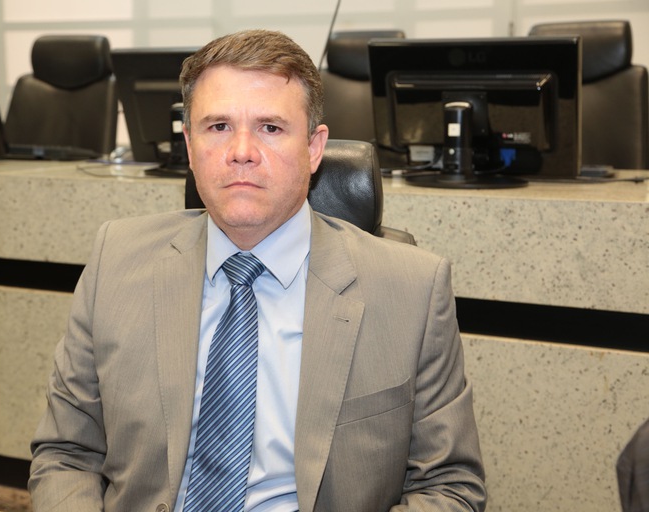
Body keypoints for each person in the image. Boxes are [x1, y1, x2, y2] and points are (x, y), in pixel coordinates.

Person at [28, 29, 486, 511]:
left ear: (314, 148)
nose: (241, 150)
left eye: (270, 127)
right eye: (218, 126)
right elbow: (66, 454)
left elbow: (450, 486)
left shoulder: (412, 290)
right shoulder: (116, 260)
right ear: (189, 145)